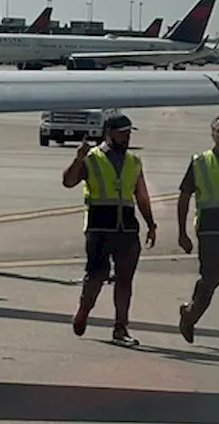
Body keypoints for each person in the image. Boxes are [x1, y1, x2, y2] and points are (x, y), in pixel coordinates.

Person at [61, 114, 156, 347]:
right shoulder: (92, 158)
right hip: (99, 226)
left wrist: (151, 223)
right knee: (96, 275)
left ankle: (121, 327)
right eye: (122, 132)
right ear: (109, 132)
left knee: (125, 279)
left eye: (129, 133)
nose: (127, 136)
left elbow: (141, 195)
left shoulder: (134, 161)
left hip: (127, 227)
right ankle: (84, 310)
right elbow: (68, 181)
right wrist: (77, 159)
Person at [177, 113, 219, 352]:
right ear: (213, 134)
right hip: (212, 231)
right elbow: (184, 196)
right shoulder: (201, 162)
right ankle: (191, 314)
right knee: (211, 279)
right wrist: (182, 232)